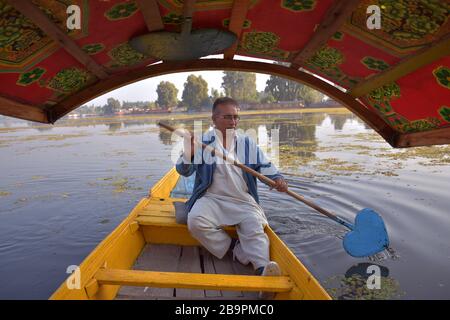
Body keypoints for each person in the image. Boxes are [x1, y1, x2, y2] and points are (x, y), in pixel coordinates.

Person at [175, 97, 288, 295]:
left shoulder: (246, 143)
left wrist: (277, 179)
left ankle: (263, 274)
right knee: (195, 221)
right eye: (228, 117)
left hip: (242, 200)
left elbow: (265, 167)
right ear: (214, 118)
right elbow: (183, 171)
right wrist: (188, 152)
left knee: (255, 229)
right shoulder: (202, 143)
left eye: (236, 117)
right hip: (212, 199)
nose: (233, 122)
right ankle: (234, 250)